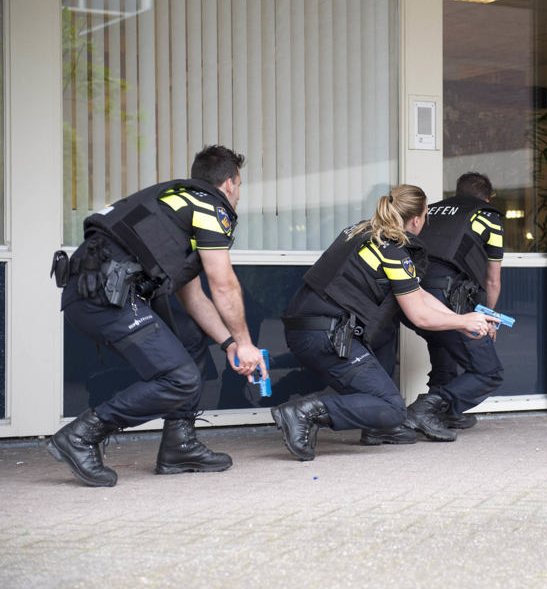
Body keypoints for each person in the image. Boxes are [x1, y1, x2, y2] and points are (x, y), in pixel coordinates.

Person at [47, 145, 268, 487]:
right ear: (228, 184)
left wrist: (227, 342)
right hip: (108, 298)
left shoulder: (175, 206)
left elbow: (194, 297)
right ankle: (82, 434)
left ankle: (179, 446)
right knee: (180, 378)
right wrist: (246, 343)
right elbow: (223, 285)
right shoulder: (209, 206)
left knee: (191, 335)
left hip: (95, 293)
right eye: (239, 186)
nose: (238, 195)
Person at [273, 184, 498, 461]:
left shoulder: (360, 231)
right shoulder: (393, 250)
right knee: (393, 408)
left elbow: (421, 295)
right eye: (426, 215)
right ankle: (303, 412)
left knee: (384, 334)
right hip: (328, 336)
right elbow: (420, 315)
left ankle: (377, 429)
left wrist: (459, 318)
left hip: (307, 329)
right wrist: (463, 322)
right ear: (416, 219)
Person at [402, 172, 505, 442]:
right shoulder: (488, 216)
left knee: (443, 347)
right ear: (486, 197)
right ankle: (425, 410)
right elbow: (492, 280)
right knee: (488, 371)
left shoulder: (431, 210)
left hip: (411, 297)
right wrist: (489, 318)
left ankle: (445, 414)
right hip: (448, 298)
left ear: (456, 192)